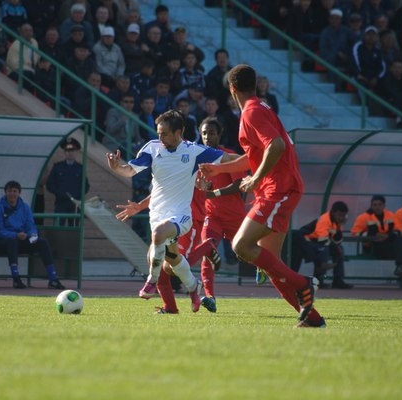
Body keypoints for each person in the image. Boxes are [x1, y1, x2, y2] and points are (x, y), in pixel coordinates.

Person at [199, 64, 326, 328]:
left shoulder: (251, 112)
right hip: (276, 189)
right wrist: (219, 169)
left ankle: (303, 283)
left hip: (277, 189)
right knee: (271, 265)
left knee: (241, 246)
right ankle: (311, 317)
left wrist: (256, 178)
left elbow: (275, 146)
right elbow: (254, 156)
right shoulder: (260, 107)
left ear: (232, 89)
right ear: (254, 85)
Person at [106, 109, 231, 313]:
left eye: (164, 133)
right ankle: (193, 287)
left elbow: (229, 158)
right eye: (158, 132)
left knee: (159, 237)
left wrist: (256, 159)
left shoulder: (193, 151)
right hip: (157, 214)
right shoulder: (152, 148)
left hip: (182, 216)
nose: (160, 137)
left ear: (178, 133)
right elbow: (128, 170)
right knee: (170, 259)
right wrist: (116, 168)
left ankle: (151, 281)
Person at [195, 117, 247, 312]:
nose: (208, 137)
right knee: (207, 251)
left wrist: (213, 192)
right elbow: (201, 187)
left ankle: (269, 269)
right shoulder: (198, 159)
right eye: (204, 133)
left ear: (219, 134)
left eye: (212, 133)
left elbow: (239, 185)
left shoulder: (228, 156)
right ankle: (210, 297)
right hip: (212, 216)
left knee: (248, 253)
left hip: (235, 216)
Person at [0, 180, 65, 289]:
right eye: (9, 191)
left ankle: (53, 278)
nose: (12, 194)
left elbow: (31, 226)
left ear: (19, 193)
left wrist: (31, 235)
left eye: (15, 191)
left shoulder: (25, 207)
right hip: (3, 242)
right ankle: (16, 279)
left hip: (23, 239)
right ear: (5, 192)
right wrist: (15, 235)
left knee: (42, 242)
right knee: (12, 241)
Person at [350, 194, 402, 281]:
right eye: (374, 205)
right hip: (373, 247)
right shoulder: (363, 217)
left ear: (384, 205)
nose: (377, 207)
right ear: (371, 205)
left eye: (379, 204)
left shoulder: (391, 215)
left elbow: (399, 230)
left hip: (388, 245)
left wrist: (387, 236)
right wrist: (373, 236)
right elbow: (355, 233)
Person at [302, 201, 354, 289]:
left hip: (321, 242)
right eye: (339, 215)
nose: (341, 218)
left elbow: (337, 239)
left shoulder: (338, 222)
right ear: (333, 213)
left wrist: (339, 227)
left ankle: (338, 280)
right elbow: (322, 239)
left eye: (343, 215)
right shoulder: (324, 219)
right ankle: (319, 280)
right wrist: (336, 247)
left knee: (339, 250)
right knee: (323, 250)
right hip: (308, 241)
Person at [46, 138, 90, 227]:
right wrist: (59, 192)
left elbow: (86, 186)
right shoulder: (57, 167)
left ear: (76, 152)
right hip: (60, 203)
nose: (70, 153)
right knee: (58, 228)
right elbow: (50, 184)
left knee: (74, 230)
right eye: (68, 151)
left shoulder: (80, 168)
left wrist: (77, 195)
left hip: (75, 205)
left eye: (72, 151)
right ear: (64, 152)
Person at [5, 23, 40, 93]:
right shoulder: (16, 45)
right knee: (27, 74)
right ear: (21, 32)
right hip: (15, 71)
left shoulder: (34, 42)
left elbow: (37, 58)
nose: (28, 32)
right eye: (26, 30)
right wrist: (30, 69)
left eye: (30, 30)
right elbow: (14, 64)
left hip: (31, 70)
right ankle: (25, 95)